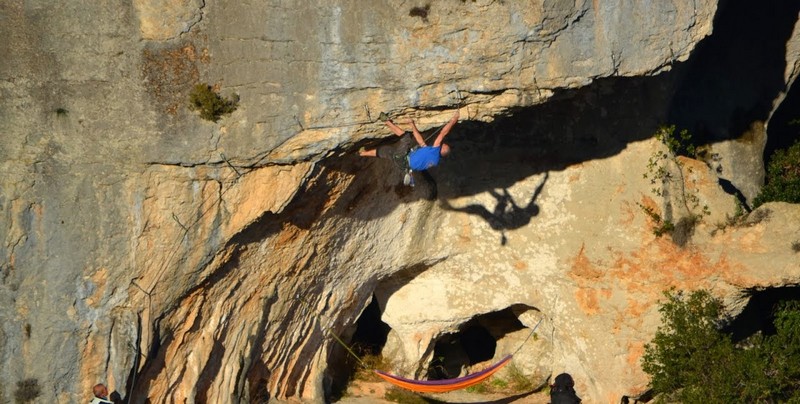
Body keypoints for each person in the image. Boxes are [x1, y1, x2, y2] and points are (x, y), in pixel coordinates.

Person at [360, 110, 460, 185]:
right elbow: (420, 141)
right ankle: (363, 153)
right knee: (386, 151)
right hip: (403, 166)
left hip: (403, 159)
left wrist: (454, 120)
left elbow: (443, 133)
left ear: (442, 149)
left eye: (442, 145)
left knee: (406, 137)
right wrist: (412, 125)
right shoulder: (435, 160)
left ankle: (386, 121)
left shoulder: (435, 150)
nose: (440, 144)